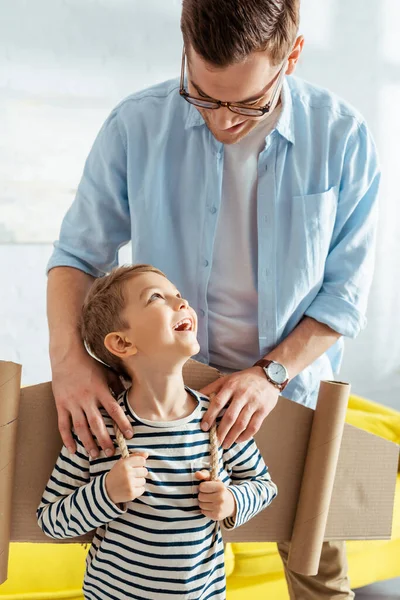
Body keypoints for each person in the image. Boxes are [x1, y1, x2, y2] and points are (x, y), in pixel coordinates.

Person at [46, 1, 380, 597]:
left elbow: (344, 296)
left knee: (320, 577)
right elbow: (76, 256)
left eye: (247, 103)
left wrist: (269, 374)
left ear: (292, 56)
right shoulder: (136, 125)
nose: (224, 121)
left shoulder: (344, 137)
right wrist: (70, 364)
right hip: (159, 398)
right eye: (202, 95)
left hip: (287, 394)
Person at [37, 264, 277, 600]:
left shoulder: (220, 421)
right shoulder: (98, 429)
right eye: (156, 298)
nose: (182, 303)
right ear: (122, 342)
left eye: (178, 296)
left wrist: (232, 501)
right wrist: (106, 493)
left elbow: (264, 488)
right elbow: (51, 520)